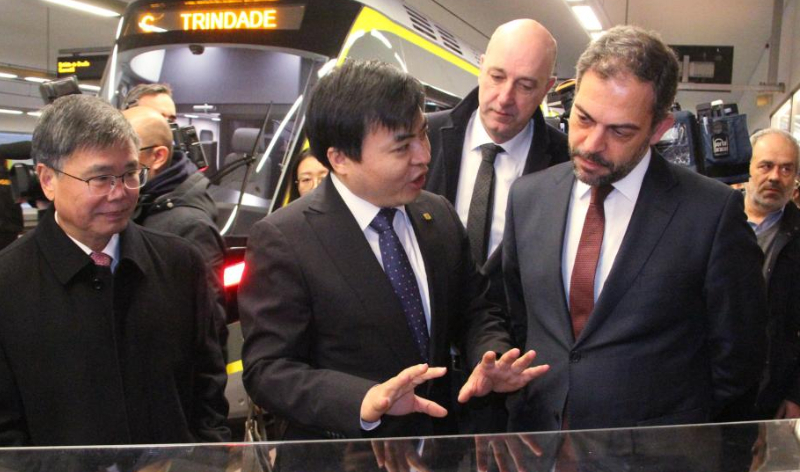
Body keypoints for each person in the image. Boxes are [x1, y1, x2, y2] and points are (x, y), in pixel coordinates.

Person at [239, 59, 548, 440]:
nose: (423, 156)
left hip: (439, 451)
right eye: (402, 147)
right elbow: (267, 369)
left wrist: (493, 356)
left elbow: (475, 309)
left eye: (423, 135)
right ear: (340, 159)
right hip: (344, 458)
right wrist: (363, 399)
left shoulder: (436, 213)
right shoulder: (285, 238)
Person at [503, 25, 766, 432]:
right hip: (540, 446)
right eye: (584, 119)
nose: (591, 144)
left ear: (659, 128)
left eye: (620, 131)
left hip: (658, 456)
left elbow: (738, 357)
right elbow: (517, 314)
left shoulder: (711, 214)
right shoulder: (529, 198)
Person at [0, 94, 229, 446]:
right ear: (47, 179)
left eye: (131, 174)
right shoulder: (9, 283)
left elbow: (207, 383)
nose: (120, 193)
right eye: (101, 178)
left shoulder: (179, 264)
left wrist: (205, 458)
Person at [425, 19, 569, 307]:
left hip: (513, 341)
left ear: (547, 88)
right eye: (497, 77)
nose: (505, 98)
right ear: (481, 67)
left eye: (525, 85)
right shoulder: (423, 138)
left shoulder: (566, 164)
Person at [123, 106, 228, 351]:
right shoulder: (138, 205)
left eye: (125, 152)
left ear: (157, 156)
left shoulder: (190, 227)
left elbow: (208, 328)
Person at [744, 129, 800, 420]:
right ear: (749, 168)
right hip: (708, 388)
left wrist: (796, 394)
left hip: (771, 394)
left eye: (786, 168)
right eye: (766, 165)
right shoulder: (715, 223)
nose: (775, 177)